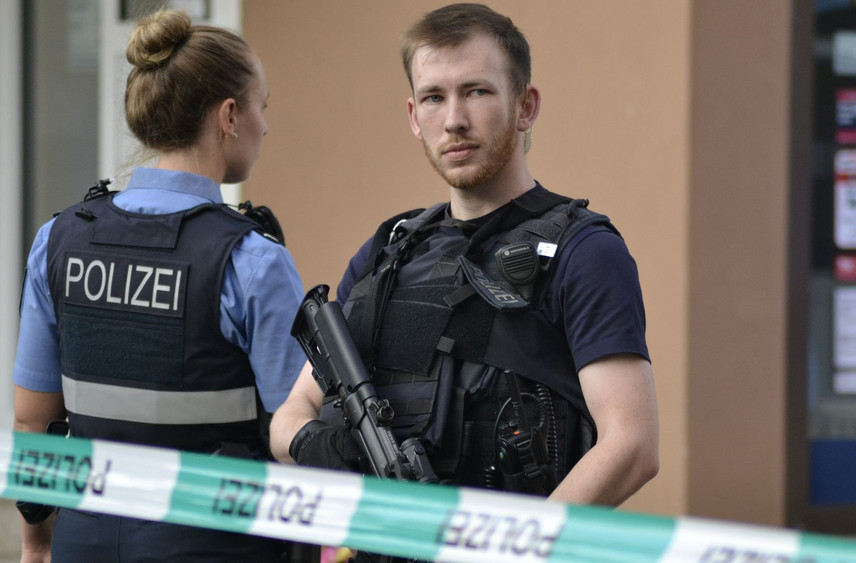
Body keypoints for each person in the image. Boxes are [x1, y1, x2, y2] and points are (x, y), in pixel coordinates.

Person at [272, 1, 657, 514]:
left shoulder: (584, 253)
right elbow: (291, 413)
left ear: (526, 106)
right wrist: (321, 445)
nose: (454, 120)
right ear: (414, 116)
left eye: (476, 91)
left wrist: (514, 548)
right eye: (433, 97)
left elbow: (631, 447)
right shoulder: (387, 252)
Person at [12, 9, 304, 562]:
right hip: (216, 545)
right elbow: (296, 440)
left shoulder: (58, 240)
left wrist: (37, 542)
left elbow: (34, 418)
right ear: (229, 116)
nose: (266, 124)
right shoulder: (253, 260)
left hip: (85, 539)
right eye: (263, 106)